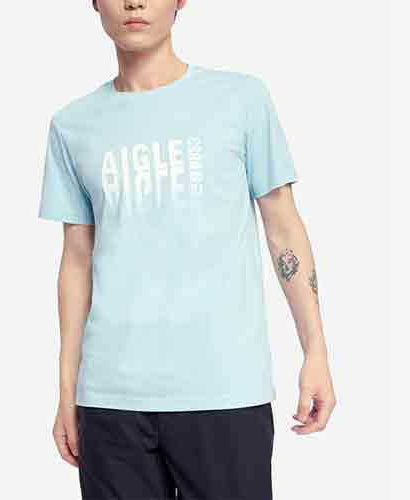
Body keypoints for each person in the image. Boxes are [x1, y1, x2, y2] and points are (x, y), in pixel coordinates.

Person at [38, 1, 337, 498]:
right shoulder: (73, 125)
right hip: (111, 400)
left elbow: (284, 228)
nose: (134, 2)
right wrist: (67, 389)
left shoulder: (240, 99)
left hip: (223, 390)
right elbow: (76, 260)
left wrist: (316, 351)